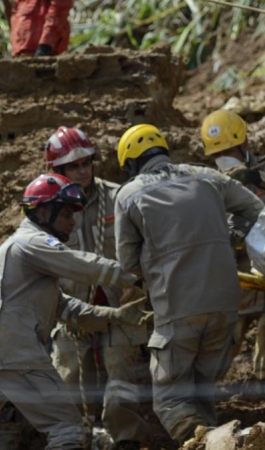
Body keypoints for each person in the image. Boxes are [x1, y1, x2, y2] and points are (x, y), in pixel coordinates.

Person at [114, 124, 264, 443]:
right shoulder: (206, 176)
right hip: (225, 305)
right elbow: (255, 209)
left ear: (130, 162)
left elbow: (127, 263)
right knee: (200, 395)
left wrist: (157, 264)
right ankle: (216, 442)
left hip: (177, 308)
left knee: (169, 400)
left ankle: (205, 445)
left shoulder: (128, 194)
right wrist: (230, 238)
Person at [0, 173, 149, 450]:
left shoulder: (24, 257)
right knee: (66, 427)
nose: (73, 221)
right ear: (43, 212)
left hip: (8, 356)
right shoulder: (31, 243)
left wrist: (114, 316)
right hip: (17, 354)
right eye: (66, 213)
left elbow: (65, 308)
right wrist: (133, 276)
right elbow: (81, 265)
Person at [44, 127, 151, 449]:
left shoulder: (120, 196)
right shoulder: (48, 209)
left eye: (86, 163)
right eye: (74, 166)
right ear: (58, 171)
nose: (83, 170)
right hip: (71, 313)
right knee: (69, 382)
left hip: (121, 308)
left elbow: (145, 243)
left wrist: (138, 281)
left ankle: (127, 441)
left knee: (122, 381)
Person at [200, 109, 265, 415]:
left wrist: (257, 178)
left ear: (244, 143)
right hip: (234, 278)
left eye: (229, 151)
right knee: (219, 348)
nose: (225, 158)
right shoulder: (209, 182)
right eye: (218, 154)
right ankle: (198, 415)